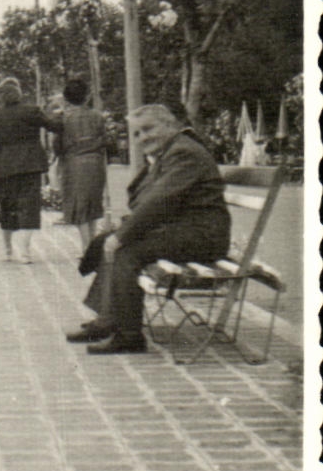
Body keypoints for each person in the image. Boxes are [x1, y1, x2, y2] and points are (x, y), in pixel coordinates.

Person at [66, 104, 230, 355]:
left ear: (170, 125)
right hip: (185, 231)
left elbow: (160, 200)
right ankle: (108, 320)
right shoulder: (170, 151)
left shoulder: (184, 152)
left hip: (203, 237)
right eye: (137, 133)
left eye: (148, 129)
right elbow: (144, 199)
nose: (142, 137)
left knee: (125, 249)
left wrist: (122, 236)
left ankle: (129, 336)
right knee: (111, 241)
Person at [0, 76, 62, 263]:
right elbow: (54, 126)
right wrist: (60, 114)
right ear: (18, 93)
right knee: (29, 208)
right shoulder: (31, 111)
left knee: (7, 208)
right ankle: (25, 252)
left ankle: (7, 251)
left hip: (4, 168)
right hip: (31, 165)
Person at [53, 78, 108, 249]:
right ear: (86, 96)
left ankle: (86, 246)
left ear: (66, 98)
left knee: (78, 206)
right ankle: (91, 244)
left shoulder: (63, 118)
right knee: (93, 204)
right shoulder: (97, 116)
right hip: (96, 162)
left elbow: (57, 145)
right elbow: (105, 139)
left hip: (73, 163)